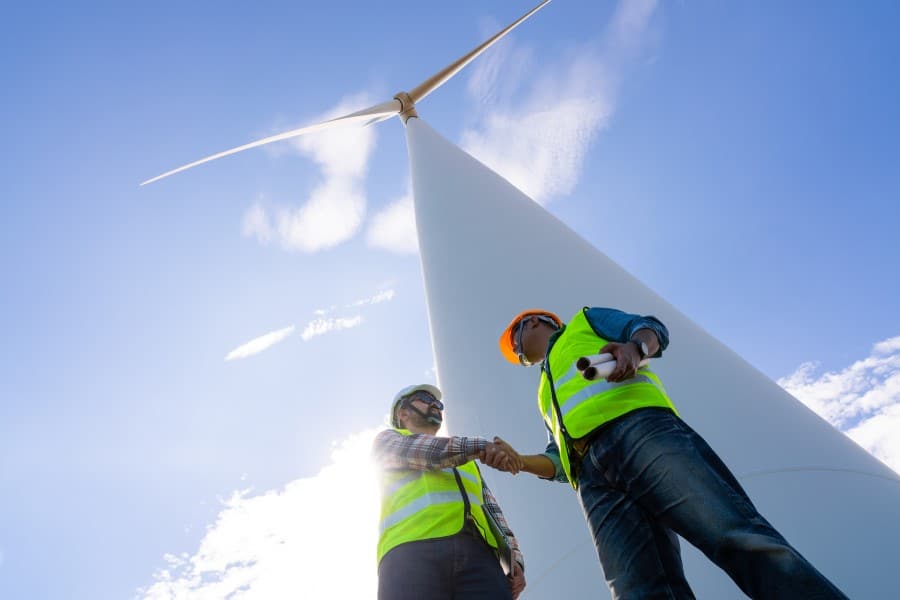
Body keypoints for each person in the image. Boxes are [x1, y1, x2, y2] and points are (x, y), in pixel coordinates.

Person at [495, 307, 848, 600]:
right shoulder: (544, 390)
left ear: (534, 322)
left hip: (638, 433)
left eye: (516, 345)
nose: (520, 357)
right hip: (591, 479)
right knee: (637, 590)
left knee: (732, 534)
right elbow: (558, 459)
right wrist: (520, 462)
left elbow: (650, 327)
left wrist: (636, 347)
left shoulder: (586, 322)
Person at [372, 383, 527, 600]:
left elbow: (493, 511)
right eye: (425, 399)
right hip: (411, 553)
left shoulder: (466, 459)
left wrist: (514, 559)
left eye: (438, 403)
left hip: (478, 555)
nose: (435, 405)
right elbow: (425, 452)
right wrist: (482, 447)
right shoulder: (388, 440)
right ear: (403, 412)